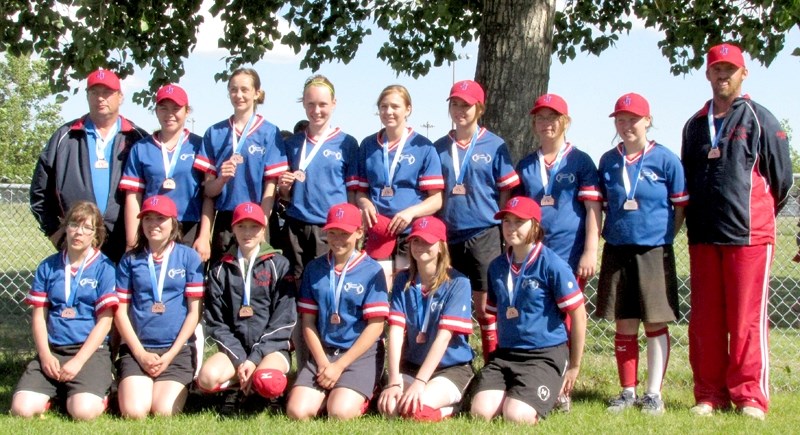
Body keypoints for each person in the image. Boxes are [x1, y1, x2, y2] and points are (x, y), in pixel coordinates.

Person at [681, 43, 792, 420]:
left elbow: (781, 181)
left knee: (745, 319)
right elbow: (688, 178)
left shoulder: (761, 118)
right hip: (703, 234)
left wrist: (754, 214)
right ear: (708, 74)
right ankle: (709, 394)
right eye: (716, 69)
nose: (722, 75)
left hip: (749, 235)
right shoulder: (695, 125)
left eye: (730, 69)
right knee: (706, 319)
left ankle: (749, 397)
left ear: (744, 73)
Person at [596, 93, 688, 416]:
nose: (626, 125)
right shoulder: (608, 161)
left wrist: (663, 237)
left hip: (653, 251)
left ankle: (653, 394)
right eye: (620, 120)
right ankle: (627, 391)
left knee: (654, 323)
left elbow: (680, 206)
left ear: (647, 120)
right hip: (617, 249)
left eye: (633, 119)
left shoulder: (665, 160)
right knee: (624, 323)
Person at [515, 93, 602, 410]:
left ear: (565, 121)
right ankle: (539, 380)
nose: (546, 123)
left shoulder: (580, 161)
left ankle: (563, 387)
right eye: (540, 117)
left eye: (553, 117)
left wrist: (590, 250)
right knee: (539, 318)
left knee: (566, 320)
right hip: (534, 257)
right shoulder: (526, 164)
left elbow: (593, 208)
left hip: (569, 255)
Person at [470, 196, 586, 424]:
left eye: (519, 222)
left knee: (516, 416)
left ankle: (553, 395)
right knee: (480, 412)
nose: (511, 228)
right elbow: (495, 313)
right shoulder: (497, 267)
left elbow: (579, 315)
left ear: (535, 225)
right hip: (507, 354)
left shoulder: (552, 264)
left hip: (544, 354)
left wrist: (574, 366)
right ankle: (518, 391)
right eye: (506, 222)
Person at [432, 80, 519, 362]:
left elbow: (506, 189)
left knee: (484, 308)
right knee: (451, 305)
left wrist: (503, 231)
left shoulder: (495, 145)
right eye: (455, 104)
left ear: (479, 108)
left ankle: (493, 365)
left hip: (484, 233)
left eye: (466, 105)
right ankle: (459, 363)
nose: (460, 110)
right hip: (448, 235)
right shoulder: (438, 147)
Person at [11, 202, 118, 420]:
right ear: (65, 227)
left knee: (83, 412)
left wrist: (78, 361)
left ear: (96, 234)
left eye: (87, 228)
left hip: (89, 352)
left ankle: (101, 391)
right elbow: (39, 316)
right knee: (22, 410)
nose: (79, 232)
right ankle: (58, 393)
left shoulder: (105, 268)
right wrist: (45, 355)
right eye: (74, 225)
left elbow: (106, 322)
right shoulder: (48, 266)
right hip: (55, 349)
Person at [30, 68, 148, 263]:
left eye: (107, 92)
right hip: (79, 239)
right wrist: (54, 232)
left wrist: (140, 238)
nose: (100, 98)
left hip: (127, 243)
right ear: (87, 96)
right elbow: (39, 192)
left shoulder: (138, 138)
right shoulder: (64, 137)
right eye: (94, 92)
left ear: (120, 97)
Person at [286, 203, 389, 420]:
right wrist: (324, 364)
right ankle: (330, 391)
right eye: (332, 233)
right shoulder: (315, 269)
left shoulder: (372, 271)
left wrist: (340, 365)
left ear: (359, 232)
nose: (337, 239)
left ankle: (369, 389)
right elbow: (308, 323)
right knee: (297, 411)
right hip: (325, 352)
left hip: (359, 354)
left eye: (344, 233)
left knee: (339, 413)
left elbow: (376, 326)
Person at [197, 202, 296, 412]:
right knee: (207, 377)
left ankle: (272, 392)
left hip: (271, 349)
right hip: (235, 351)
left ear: (263, 229)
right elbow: (216, 322)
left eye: (254, 227)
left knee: (267, 381)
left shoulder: (279, 264)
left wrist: (256, 357)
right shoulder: (219, 269)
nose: (247, 233)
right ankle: (236, 388)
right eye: (241, 226)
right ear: (232, 228)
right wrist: (242, 359)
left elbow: (284, 321)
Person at [114, 195, 204, 418]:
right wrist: (140, 353)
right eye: (147, 219)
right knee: (135, 412)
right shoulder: (130, 260)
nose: (153, 224)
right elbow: (121, 313)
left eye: (160, 219)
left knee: (163, 411)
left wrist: (171, 353)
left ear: (173, 222)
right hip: (139, 349)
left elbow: (194, 313)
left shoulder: (189, 257)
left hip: (176, 351)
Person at [378, 216, 474, 421]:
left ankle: (455, 408)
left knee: (415, 411)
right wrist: (394, 379)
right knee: (389, 408)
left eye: (428, 241)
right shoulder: (402, 280)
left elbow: (444, 338)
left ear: (441, 246)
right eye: (416, 240)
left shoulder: (458, 282)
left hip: (450, 368)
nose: (420, 246)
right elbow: (395, 331)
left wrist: (420, 383)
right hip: (412, 365)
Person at [193, 67, 288, 266]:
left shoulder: (269, 132)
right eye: (234, 90)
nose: (239, 95)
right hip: (226, 221)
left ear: (257, 93)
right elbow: (209, 191)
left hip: (257, 219)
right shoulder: (214, 132)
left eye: (245, 89)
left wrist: (261, 224)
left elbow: (271, 186)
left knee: (259, 281)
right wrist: (222, 179)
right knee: (224, 279)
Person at [355, 84, 444, 288]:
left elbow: (436, 199)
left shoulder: (423, 147)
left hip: (410, 233)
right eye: (384, 106)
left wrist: (410, 213)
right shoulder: (368, 145)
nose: (389, 112)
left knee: (406, 286)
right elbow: (360, 191)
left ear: (408, 109)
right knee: (379, 287)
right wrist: (365, 204)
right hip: (379, 233)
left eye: (395, 106)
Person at [278, 75, 360, 280]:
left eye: (323, 104)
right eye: (311, 104)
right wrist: (284, 187)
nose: (316, 111)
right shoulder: (292, 144)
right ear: (303, 104)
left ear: (334, 103)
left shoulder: (347, 143)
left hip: (331, 228)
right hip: (296, 225)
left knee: (326, 283)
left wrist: (355, 229)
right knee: (295, 285)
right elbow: (285, 194)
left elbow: (352, 193)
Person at [120, 84, 212, 261]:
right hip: (152, 225)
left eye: (176, 108)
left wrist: (204, 236)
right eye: (163, 108)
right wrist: (132, 241)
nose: (169, 114)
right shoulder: (141, 148)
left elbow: (208, 194)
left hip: (189, 225)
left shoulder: (199, 145)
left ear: (187, 111)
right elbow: (133, 197)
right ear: (156, 111)